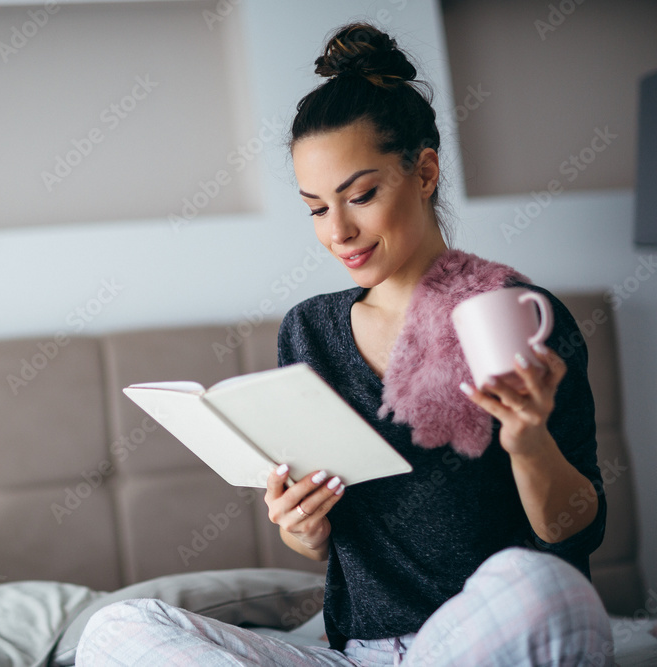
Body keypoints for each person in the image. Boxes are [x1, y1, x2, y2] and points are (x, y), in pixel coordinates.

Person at [75, 21, 613, 666]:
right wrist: (304, 527)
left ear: (425, 172)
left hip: (483, 638)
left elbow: (575, 528)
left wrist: (528, 445)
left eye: (360, 195)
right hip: (358, 654)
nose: (339, 231)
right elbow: (328, 546)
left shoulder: (523, 317)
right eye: (315, 208)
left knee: (545, 586)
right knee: (117, 630)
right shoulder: (309, 331)